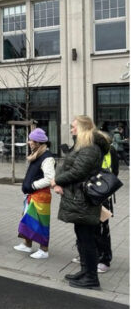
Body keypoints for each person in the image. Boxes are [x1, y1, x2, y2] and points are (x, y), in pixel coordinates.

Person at [51, 115, 110, 290]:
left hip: (84, 199)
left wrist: (57, 181)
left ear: (83, 128)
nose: (71, 130)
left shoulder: (90, 148)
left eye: (73, 127)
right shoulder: (84, 146)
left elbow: (78, 171)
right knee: (82, 237)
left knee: (87, 239)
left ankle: (91, 277)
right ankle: (85, 271)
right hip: (78, 198)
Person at [72, 132, 119, 274]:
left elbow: (114, 173)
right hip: (89, 193)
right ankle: (88, 255)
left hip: (102, 194)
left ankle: (104, 259)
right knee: (88, 226)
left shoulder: (110, 150)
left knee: (102, 228)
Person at [14, 128, 55, 259]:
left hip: (40, 195)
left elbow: (49, 178)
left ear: (38, 142)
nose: (29, 142)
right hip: (32, 195)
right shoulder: (37, 154)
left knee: (41, 222)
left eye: (31, 140)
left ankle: (44, 250)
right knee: (27, 220)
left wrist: (32, 185)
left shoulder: (47, 158)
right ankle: (27, 244)